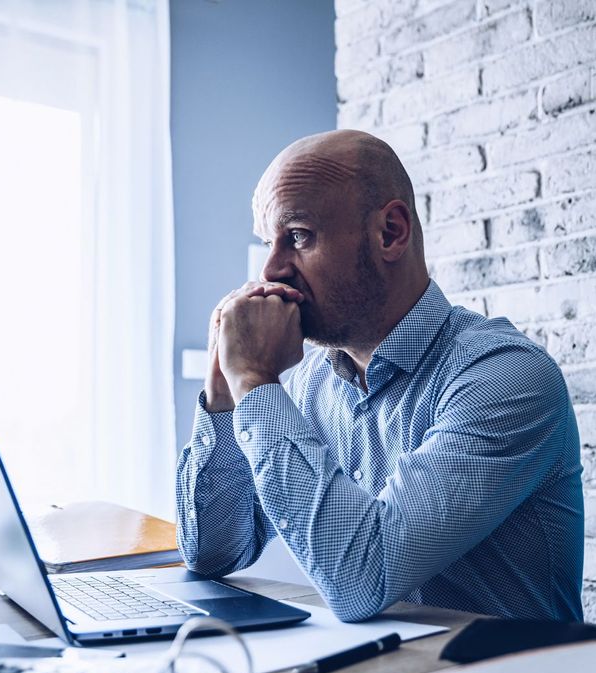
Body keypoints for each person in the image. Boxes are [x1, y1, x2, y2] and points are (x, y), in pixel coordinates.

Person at [175, 129, 584, 622]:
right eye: (268, 242)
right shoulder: (309, 384)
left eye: (298, 236)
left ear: (390, 232)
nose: (271, 270)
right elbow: (213, 552)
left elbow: (363, 579)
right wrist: (224, 395)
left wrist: (256, 383)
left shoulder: (506, 376)